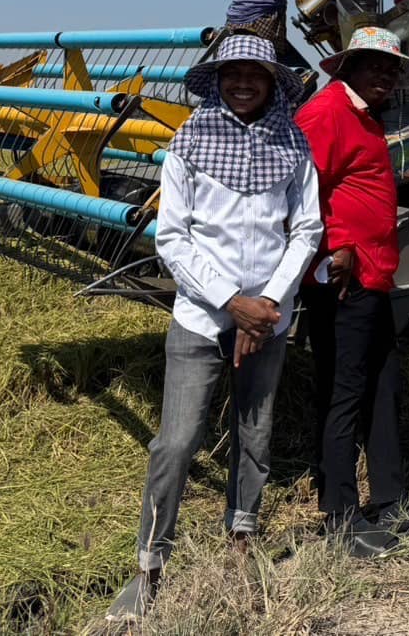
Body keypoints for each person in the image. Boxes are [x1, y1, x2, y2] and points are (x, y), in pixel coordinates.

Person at [109, 35, 322, 620]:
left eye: (256, 73)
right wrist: (233, 302)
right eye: (233, 73)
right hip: (203, 317)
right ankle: (149, 565)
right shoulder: (190, 143)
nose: (244, 83)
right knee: (176, 442)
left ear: (274, 82)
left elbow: (305, 230)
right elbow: (172, 237)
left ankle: (241, 541)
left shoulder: (292, 142)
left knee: (254, 435)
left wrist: (269, 303)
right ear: (218, 79)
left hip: (269, 319)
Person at [295, 27, 409, 557]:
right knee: (345, 390)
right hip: (344, 276)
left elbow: (356, 184)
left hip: (373, 274)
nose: (385, 76)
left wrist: (406, 181)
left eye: (392, 69)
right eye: (374, 64)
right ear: (346, 66)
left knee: (382, 385)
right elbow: (302, 192)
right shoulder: (325, 114)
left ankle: (389, 497)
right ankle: (340, 516)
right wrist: (335, 246)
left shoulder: (363, 118)